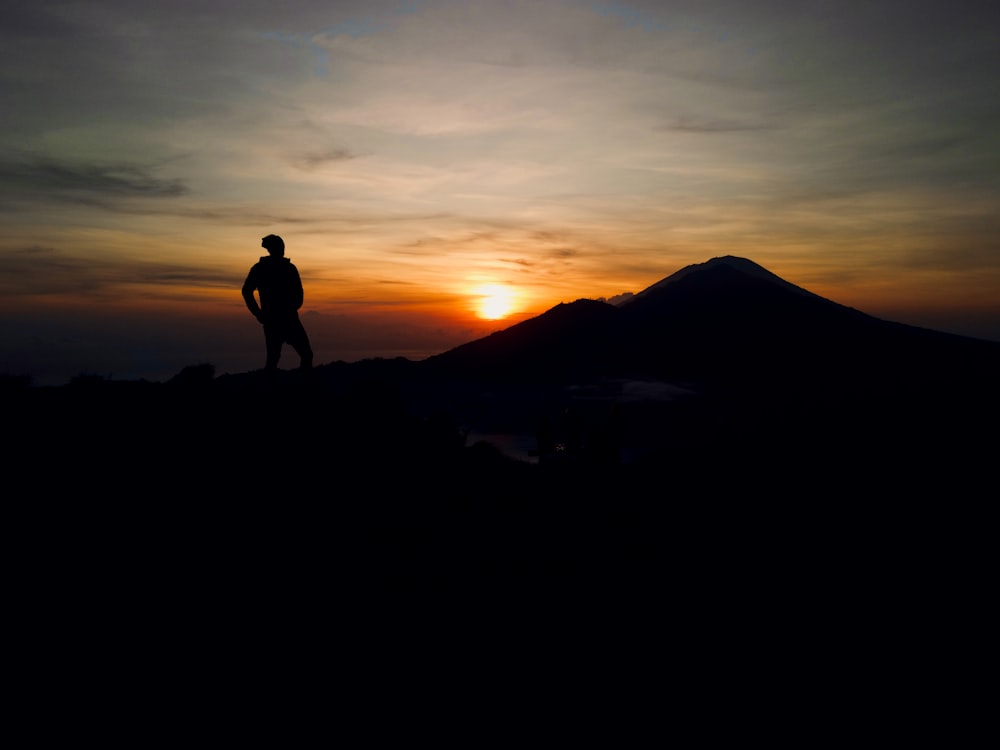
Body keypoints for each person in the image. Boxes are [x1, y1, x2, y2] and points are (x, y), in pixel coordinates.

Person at [242, 234, 313, 377]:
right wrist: (258, 313)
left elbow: (299, 293)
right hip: (279, 319)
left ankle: (301, 388)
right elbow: (246, 291)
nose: (282, 249)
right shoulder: (263, 268)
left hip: (282, 318)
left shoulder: (285, 268)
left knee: (282, 358)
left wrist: (260, 314)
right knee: (277, 359)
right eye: (280, 246)